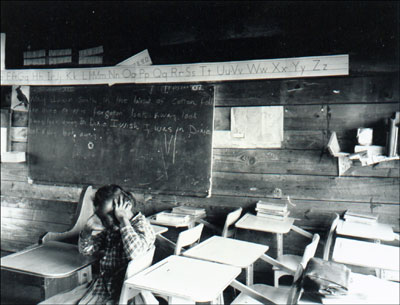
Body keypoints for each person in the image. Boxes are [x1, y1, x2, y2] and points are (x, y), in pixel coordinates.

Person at [40, 184, 156, 305]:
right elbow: (86, 251)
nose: (108, 221)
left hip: (124, 296)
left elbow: (135, 253)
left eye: (112, 214)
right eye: (104, 217)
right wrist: (87, 232)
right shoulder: (112, 228)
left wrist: (123, 219)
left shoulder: (141, 226)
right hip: (101, 289)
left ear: (127, 206)